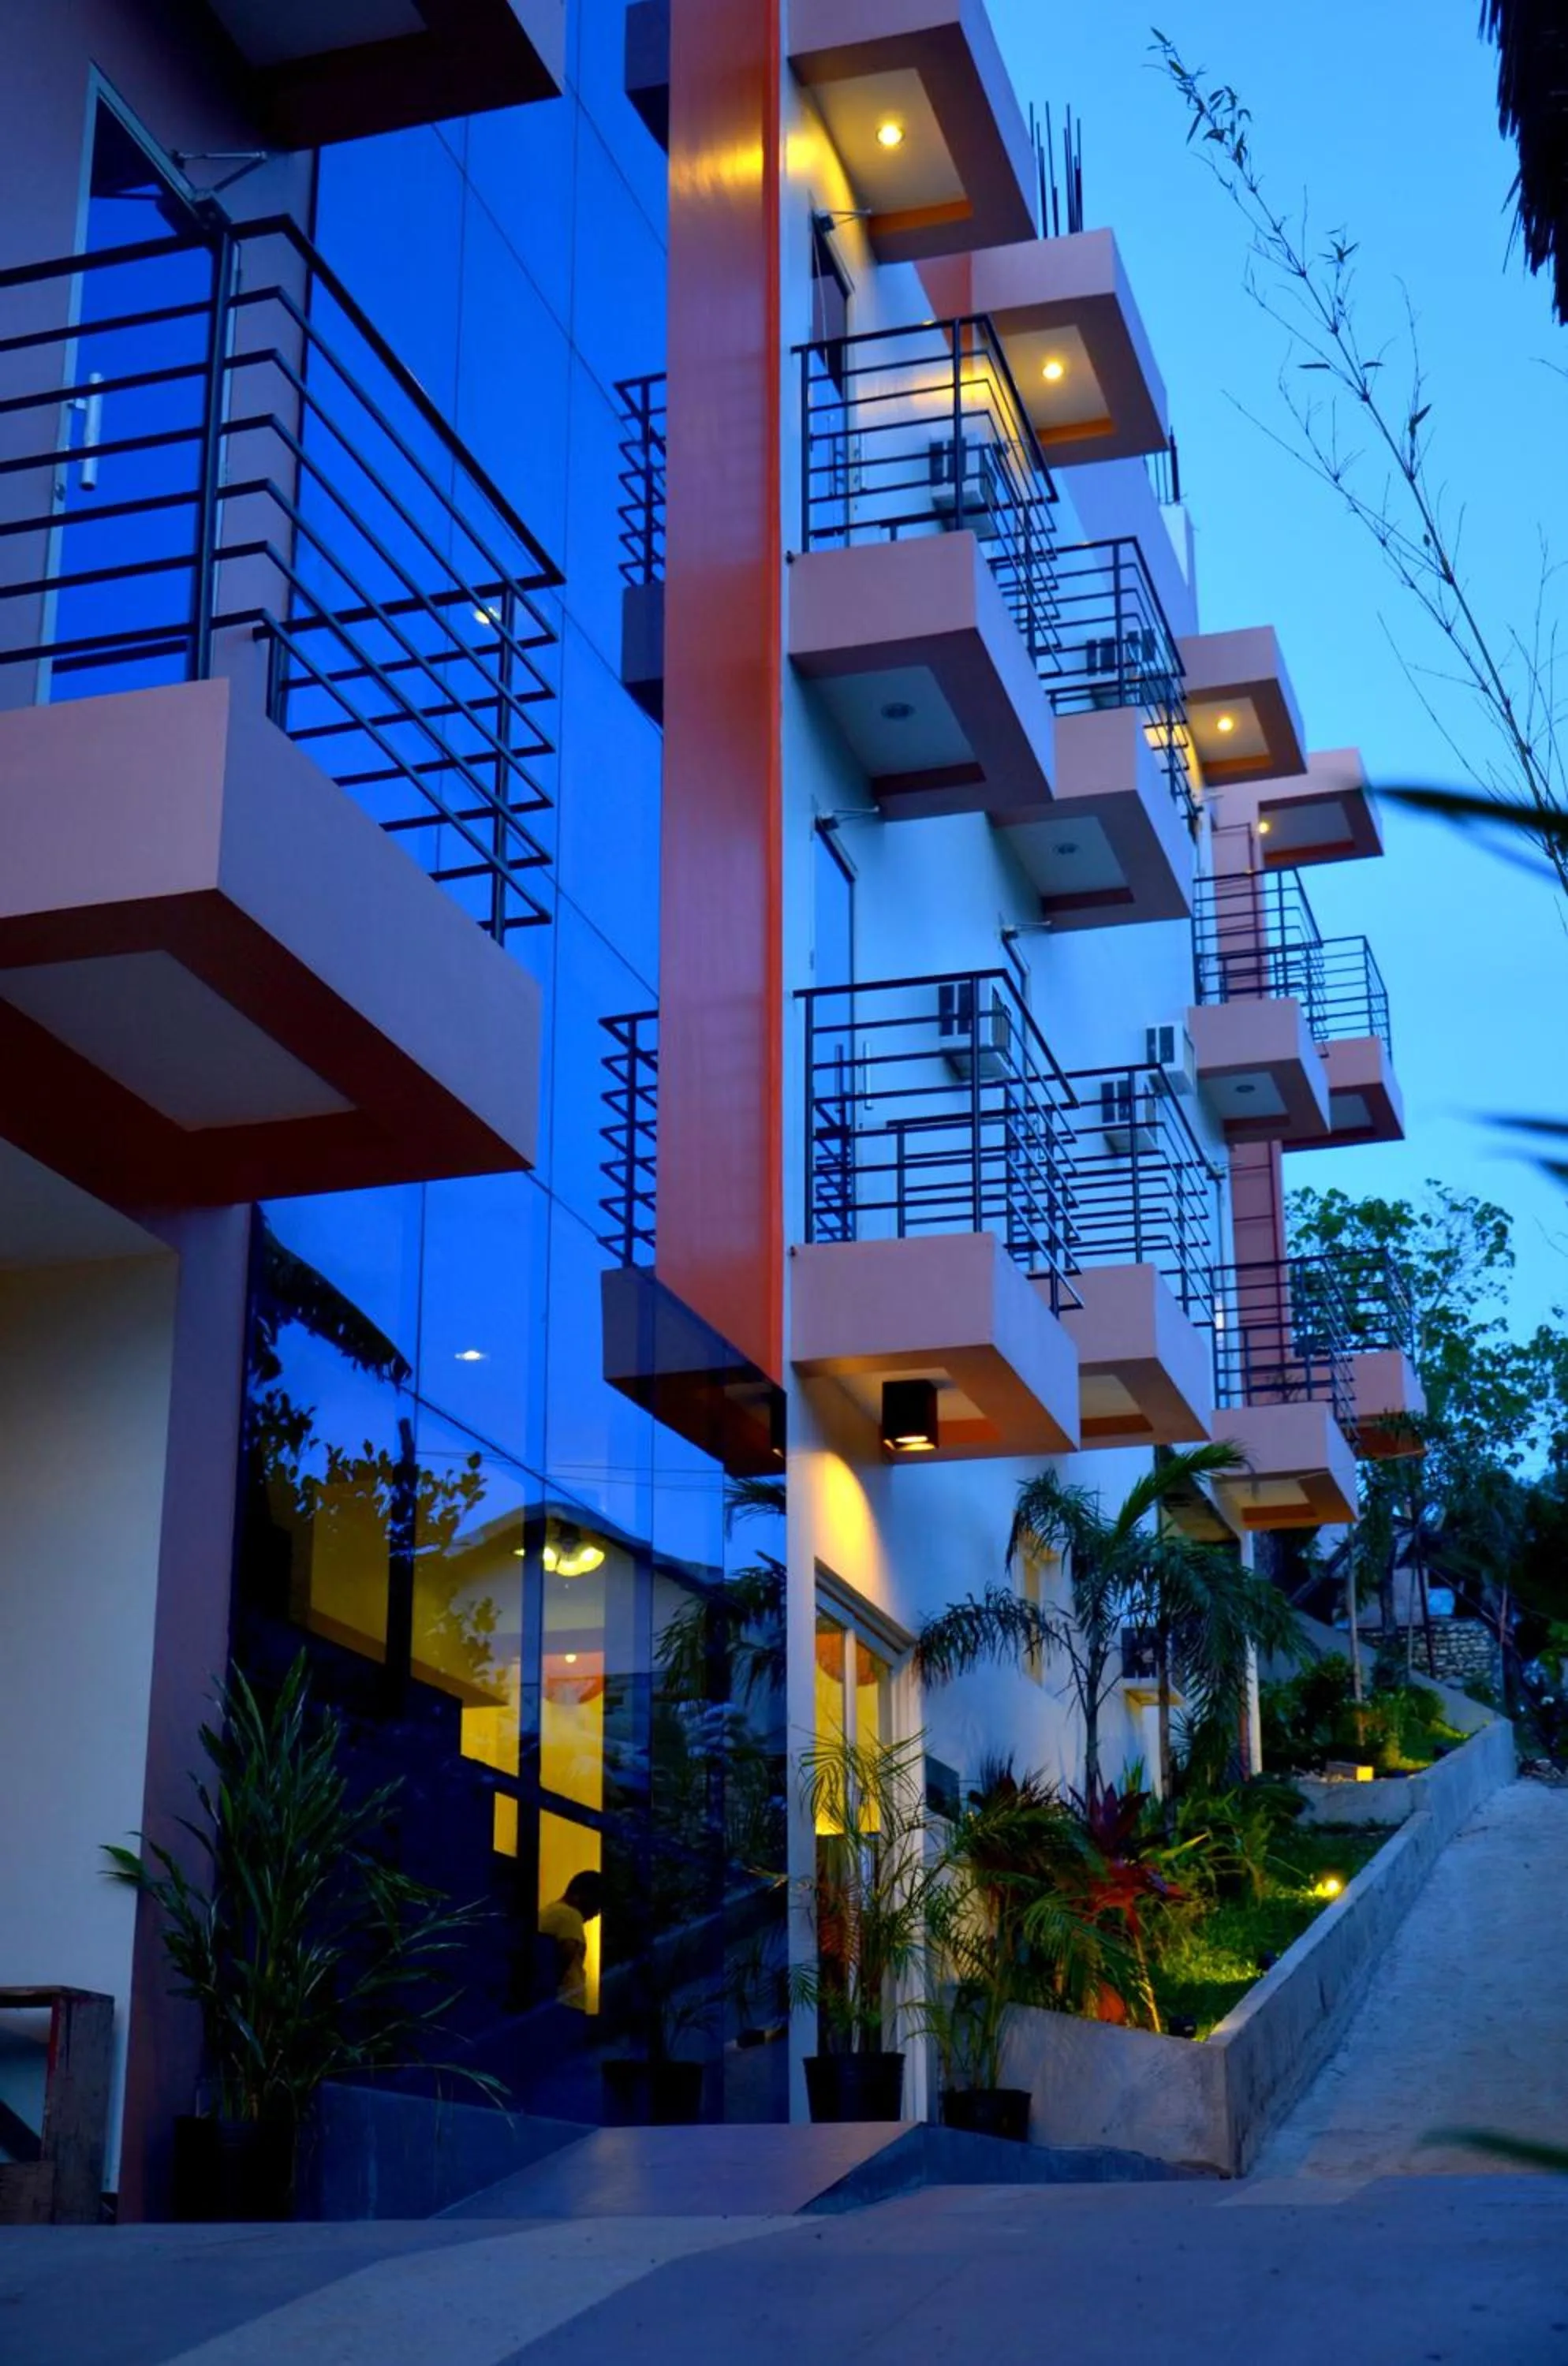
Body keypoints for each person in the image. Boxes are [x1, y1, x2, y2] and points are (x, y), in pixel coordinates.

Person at [537, 1869, 604, 2010]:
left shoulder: (551, 1912)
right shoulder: (570, 1916)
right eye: (595, 1904)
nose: (596, 1913)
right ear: (579, 1896)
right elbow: (568, 1950)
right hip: (567, 2003)